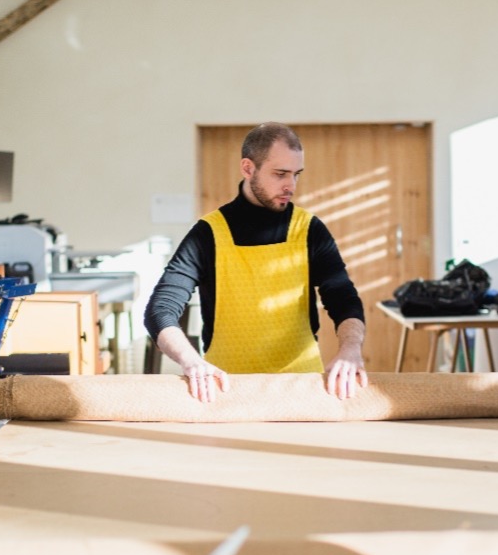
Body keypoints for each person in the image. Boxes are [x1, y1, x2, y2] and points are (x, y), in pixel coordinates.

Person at [144, 122, 369, 402]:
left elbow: (343, 299)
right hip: (224, 389)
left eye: (296, 174)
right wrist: (191, 361)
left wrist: (350, 349)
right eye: (280, 174)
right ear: (248, 168)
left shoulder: (309, 229)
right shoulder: (208, 234)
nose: (291, 185)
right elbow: (160, 309)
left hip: (301, 388)